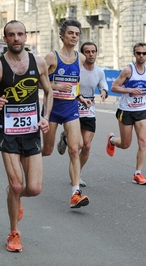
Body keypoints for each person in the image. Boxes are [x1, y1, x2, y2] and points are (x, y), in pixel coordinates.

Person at [0, 20, 53, 253]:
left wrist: (45, 117)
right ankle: (14, 233)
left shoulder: (38, 62)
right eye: (11, 35)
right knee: (18, 184)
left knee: (35, 188)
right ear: (5, 38)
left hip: (31, 132)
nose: (16, 38)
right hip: (8, 132)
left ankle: (13, 196)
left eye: (20, 34)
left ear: (26, 37)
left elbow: (49, 92)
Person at [42, 19, 90, 208]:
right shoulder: (52, 57)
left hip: (71, 109)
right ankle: (26, 160)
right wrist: (56, 86)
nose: (74, 37)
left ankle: (75, 192)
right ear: (62, 36)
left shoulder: (81, 58)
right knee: (47, 150)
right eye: (70, 33)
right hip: (52, 110)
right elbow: (38, 83)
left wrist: (80, 96)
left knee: (74, 149)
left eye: (77, 34)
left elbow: (74, 85)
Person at [106, 42, 146, 185]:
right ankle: (112, 140)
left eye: (144, 53)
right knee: (126, 144)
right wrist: (130, 90)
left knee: (143, 141)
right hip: (126, 110)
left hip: (141, 111)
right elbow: (114, 87)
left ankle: (137, 174)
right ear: (134, 54)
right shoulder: (128, 70)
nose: (141, 56)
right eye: (138, 53)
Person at [57, 42, 109, 187]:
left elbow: (103, 84)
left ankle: (77, 175)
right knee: (77, 145)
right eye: (87, 52)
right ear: (82, 54)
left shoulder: (99, 72)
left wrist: (104, 91)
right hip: (73, 108)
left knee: (86, 146)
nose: (91, 54)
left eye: (93, 51)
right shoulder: (77, 69)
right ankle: (75, 176)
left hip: (89, 110)